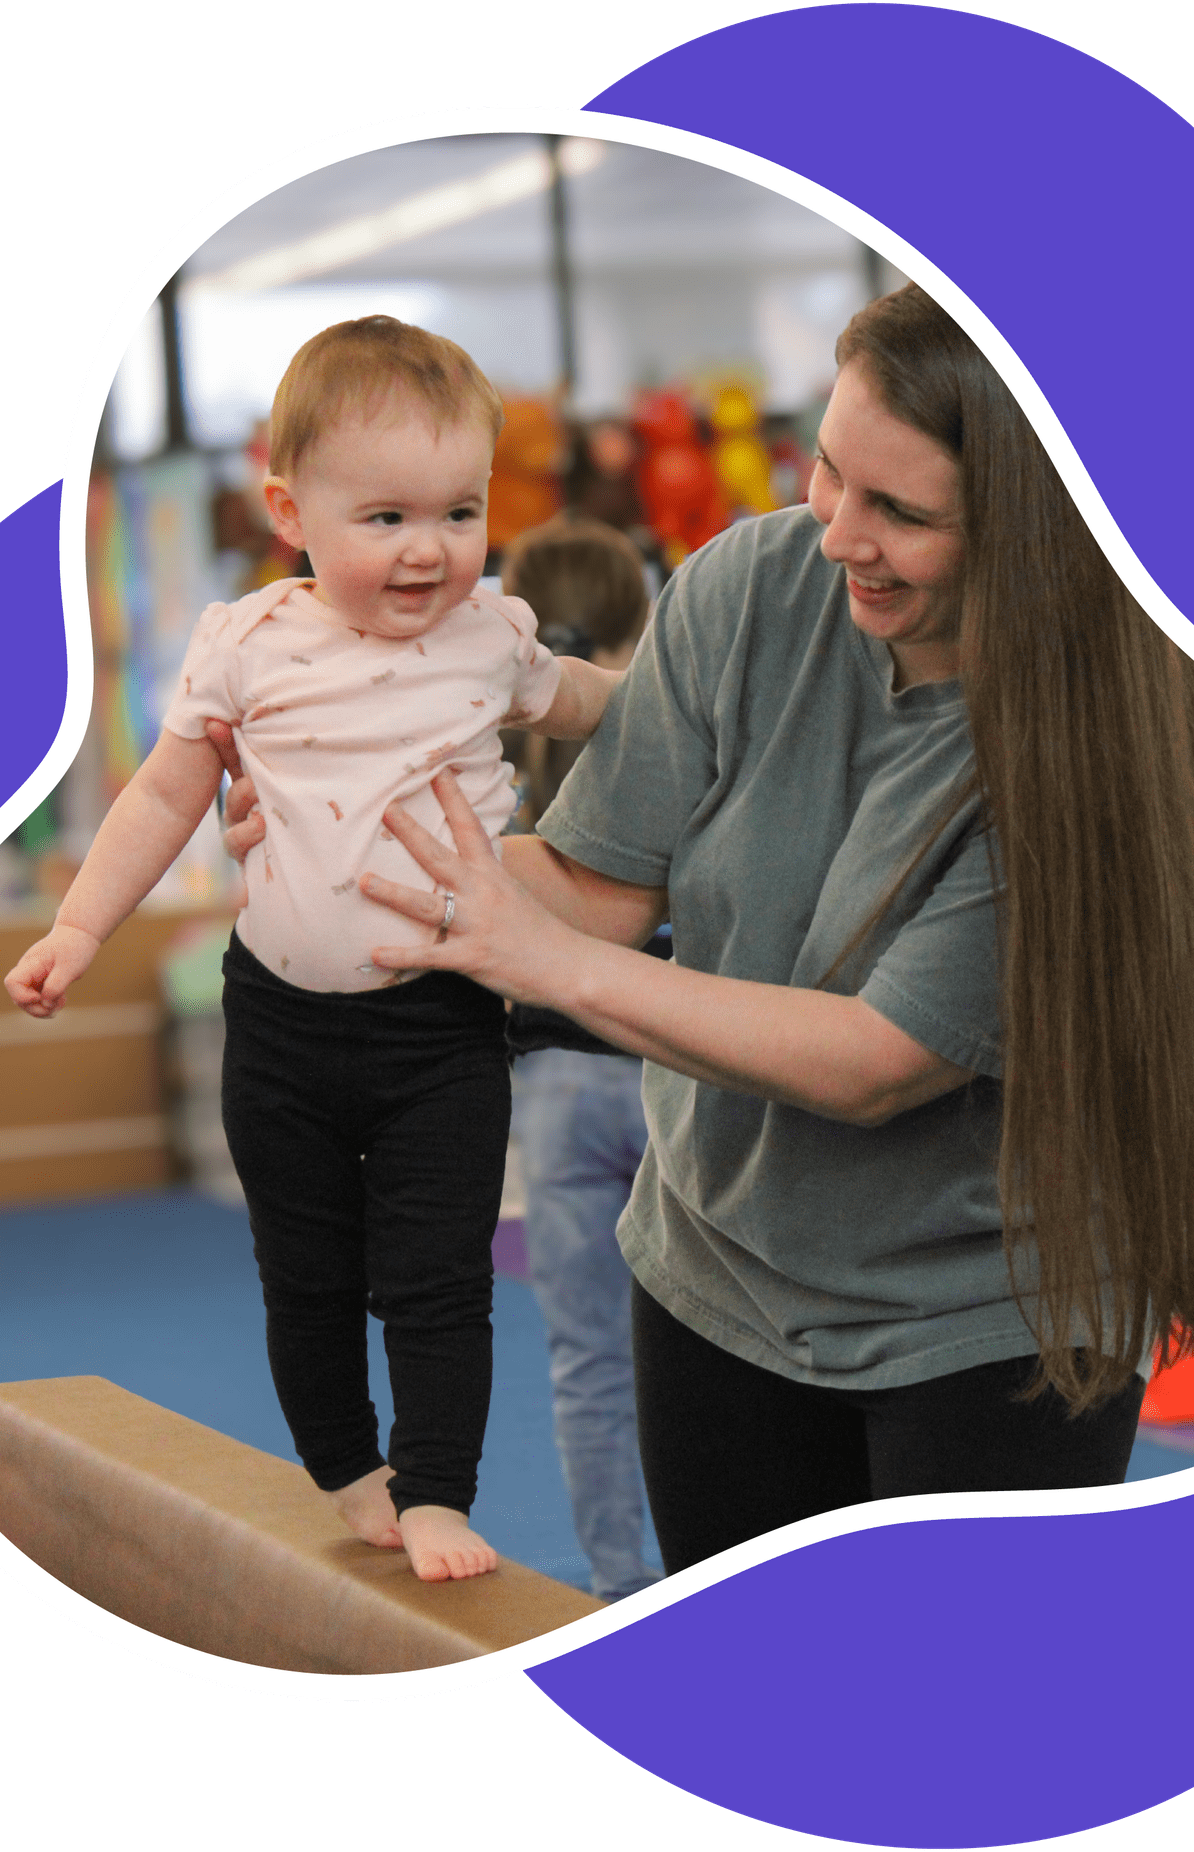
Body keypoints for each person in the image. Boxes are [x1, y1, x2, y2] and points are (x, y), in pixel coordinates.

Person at [222, 286, 1194, 1577]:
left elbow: (874, 1063)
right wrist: (347, 851)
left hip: (987, 1327)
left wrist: (538, 961)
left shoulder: (1087, 747)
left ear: (1040, 531)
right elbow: (595, 883)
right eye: (829, 469)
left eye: (904, 514)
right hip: (718, 1280)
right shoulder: (751, 586)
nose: (840, 533)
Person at [5, 317, 621, 1581]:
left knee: (440, 1276)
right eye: (384, 518)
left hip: (440, 1025)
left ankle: (440, 1487)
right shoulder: (247, 643)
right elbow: (168, 796)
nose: (428, 549)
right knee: (307, 1273)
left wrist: (697, 698)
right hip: (280, 1026)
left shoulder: (490, 637)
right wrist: (79, 924)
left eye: (459, 510)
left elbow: (589, 703)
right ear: (289, 509)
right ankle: (349, 1465)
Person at [500, 518, 662, 1601]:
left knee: (589, 1360)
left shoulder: (493, 769)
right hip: (675, 1069)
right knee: (720, 1341)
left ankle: (616, 1582)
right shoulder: (663, 738)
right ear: (641, 623)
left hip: (556, 1088)